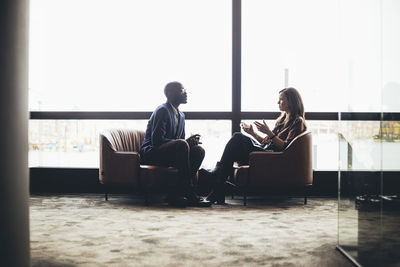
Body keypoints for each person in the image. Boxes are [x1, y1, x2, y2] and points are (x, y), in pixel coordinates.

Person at [202, 87, 307, 204]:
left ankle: (217, 177)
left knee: (237, 137)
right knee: (236, 143)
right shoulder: (282, 120)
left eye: (281, 99)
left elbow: (285, 147)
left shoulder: (298, 121)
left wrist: (269, 133)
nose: (278, 102)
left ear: (291, 101)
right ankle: (218, 188)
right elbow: (267, 143)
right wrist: (253, 133)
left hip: (274, 157)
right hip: (267, 152)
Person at [139, 81, 211, 207]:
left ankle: (176, 193)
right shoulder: (162, 110)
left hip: (172, 153)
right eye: (182, 90)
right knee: (182, 144)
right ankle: (188, 192)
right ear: (170, 94)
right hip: (152, 153)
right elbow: (157, 141)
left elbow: (180, 141)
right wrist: (183, 143)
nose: (186, 92)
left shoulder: (181, 115)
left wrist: (190, 143)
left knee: (199, 150)